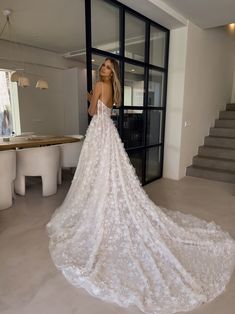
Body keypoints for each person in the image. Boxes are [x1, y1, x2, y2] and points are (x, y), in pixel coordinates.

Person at [47, 58, 235, 314]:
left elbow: (92, 112)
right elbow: (106, 106)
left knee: (96, 172)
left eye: (107, 68)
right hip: (109, 133)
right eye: (103, 67)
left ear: (110, 72)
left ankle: (99, 205)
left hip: (98, 133)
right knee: (108, 172)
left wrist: (89, 96)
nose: (103, 70)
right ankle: (106, 202)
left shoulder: (100, 85)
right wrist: (95, 96)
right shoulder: (112, 88)